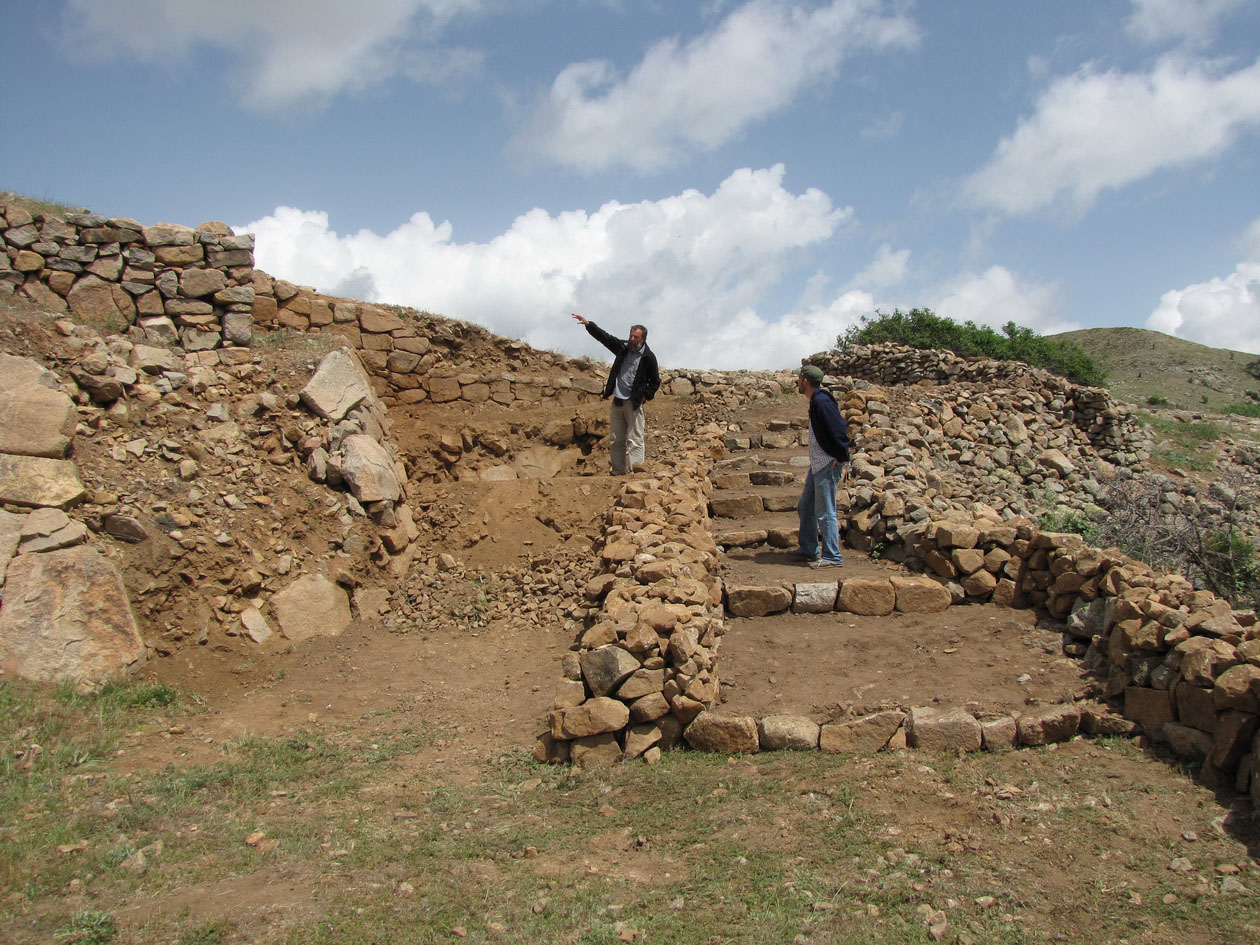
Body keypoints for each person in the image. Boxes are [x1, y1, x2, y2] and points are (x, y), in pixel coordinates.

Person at [571, 313, 661, 475]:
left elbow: (655, 382)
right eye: (631, 336)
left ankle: (636, 473)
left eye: (635, 337)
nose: (632, 339)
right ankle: (618, 471)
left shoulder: (648, 357)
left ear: (643, 339)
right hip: (618, 400)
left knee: (635, 439)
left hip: (634, 403)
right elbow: (605, 338)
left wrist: (644, 396)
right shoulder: (623, 348)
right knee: (616, 439)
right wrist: (589, 324)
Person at [793, 364, 850, 568]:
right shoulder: (817, 400)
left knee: (825, 511)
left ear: (805, 381)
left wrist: (841, 455)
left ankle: (833, 556)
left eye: (799, 379)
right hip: (818, 463)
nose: (798, 382)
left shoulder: (822, 401)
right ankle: (809, 549)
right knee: (806, 506)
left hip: (827, 462)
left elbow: (839, 428)